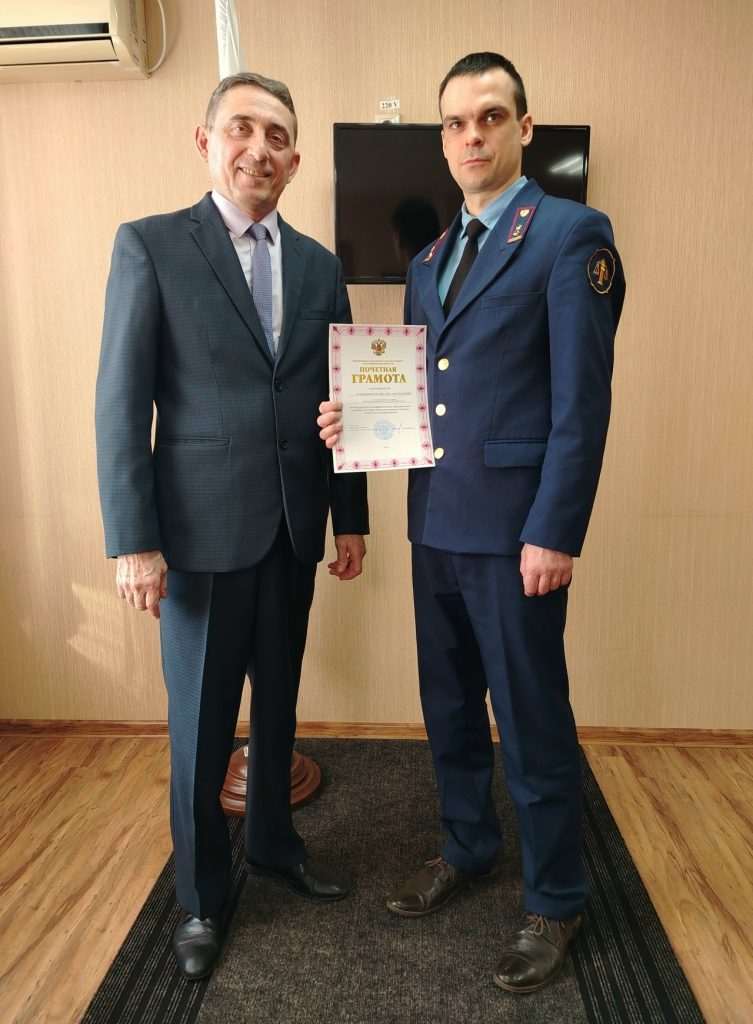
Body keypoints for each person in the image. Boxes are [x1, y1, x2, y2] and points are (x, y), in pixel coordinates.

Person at [319, 51, 625, 993]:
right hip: (437, 523)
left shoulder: (570, 234)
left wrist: (555, 531)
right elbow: (424, 392)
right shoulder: (428, 259)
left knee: (530, 721)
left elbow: (581, 404)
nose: (471, 136)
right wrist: (355, 419)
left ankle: (557, 899)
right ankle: (467, 845)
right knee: (448, 707)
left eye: (490, 117)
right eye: (454, 122)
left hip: (516, 533)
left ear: (523, 128)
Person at [95, 72, 368, 981]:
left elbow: (343, 405)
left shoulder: (321, 266)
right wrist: (134, 541)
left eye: (277, 135)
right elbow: (119, 404)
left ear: (296, 159)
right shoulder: (149, 246)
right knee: (202, 730)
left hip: (293, 530)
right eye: (242, 128)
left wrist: (350, 520)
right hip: (198, 539)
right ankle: (203, 897)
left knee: (278, 710)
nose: (260, 147)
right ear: (205, 141)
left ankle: (276, 846)